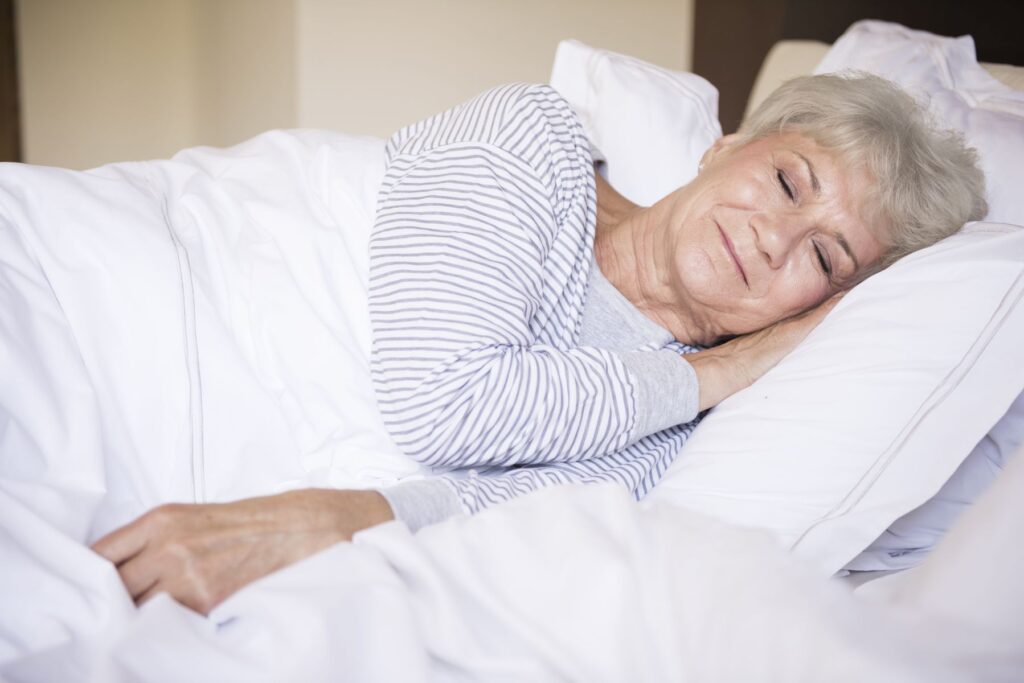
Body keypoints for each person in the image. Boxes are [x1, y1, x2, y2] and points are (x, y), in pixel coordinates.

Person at [91, 74, 987, 614]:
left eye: (825, 255)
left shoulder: (679, 423)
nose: (775, 238)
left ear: (821, 308)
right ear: (730, 147)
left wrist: (343, 523)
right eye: (790, 181)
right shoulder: (536, 138)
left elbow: (514, 517)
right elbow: (443, 404)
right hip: (111, 295)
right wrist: (728, 366)